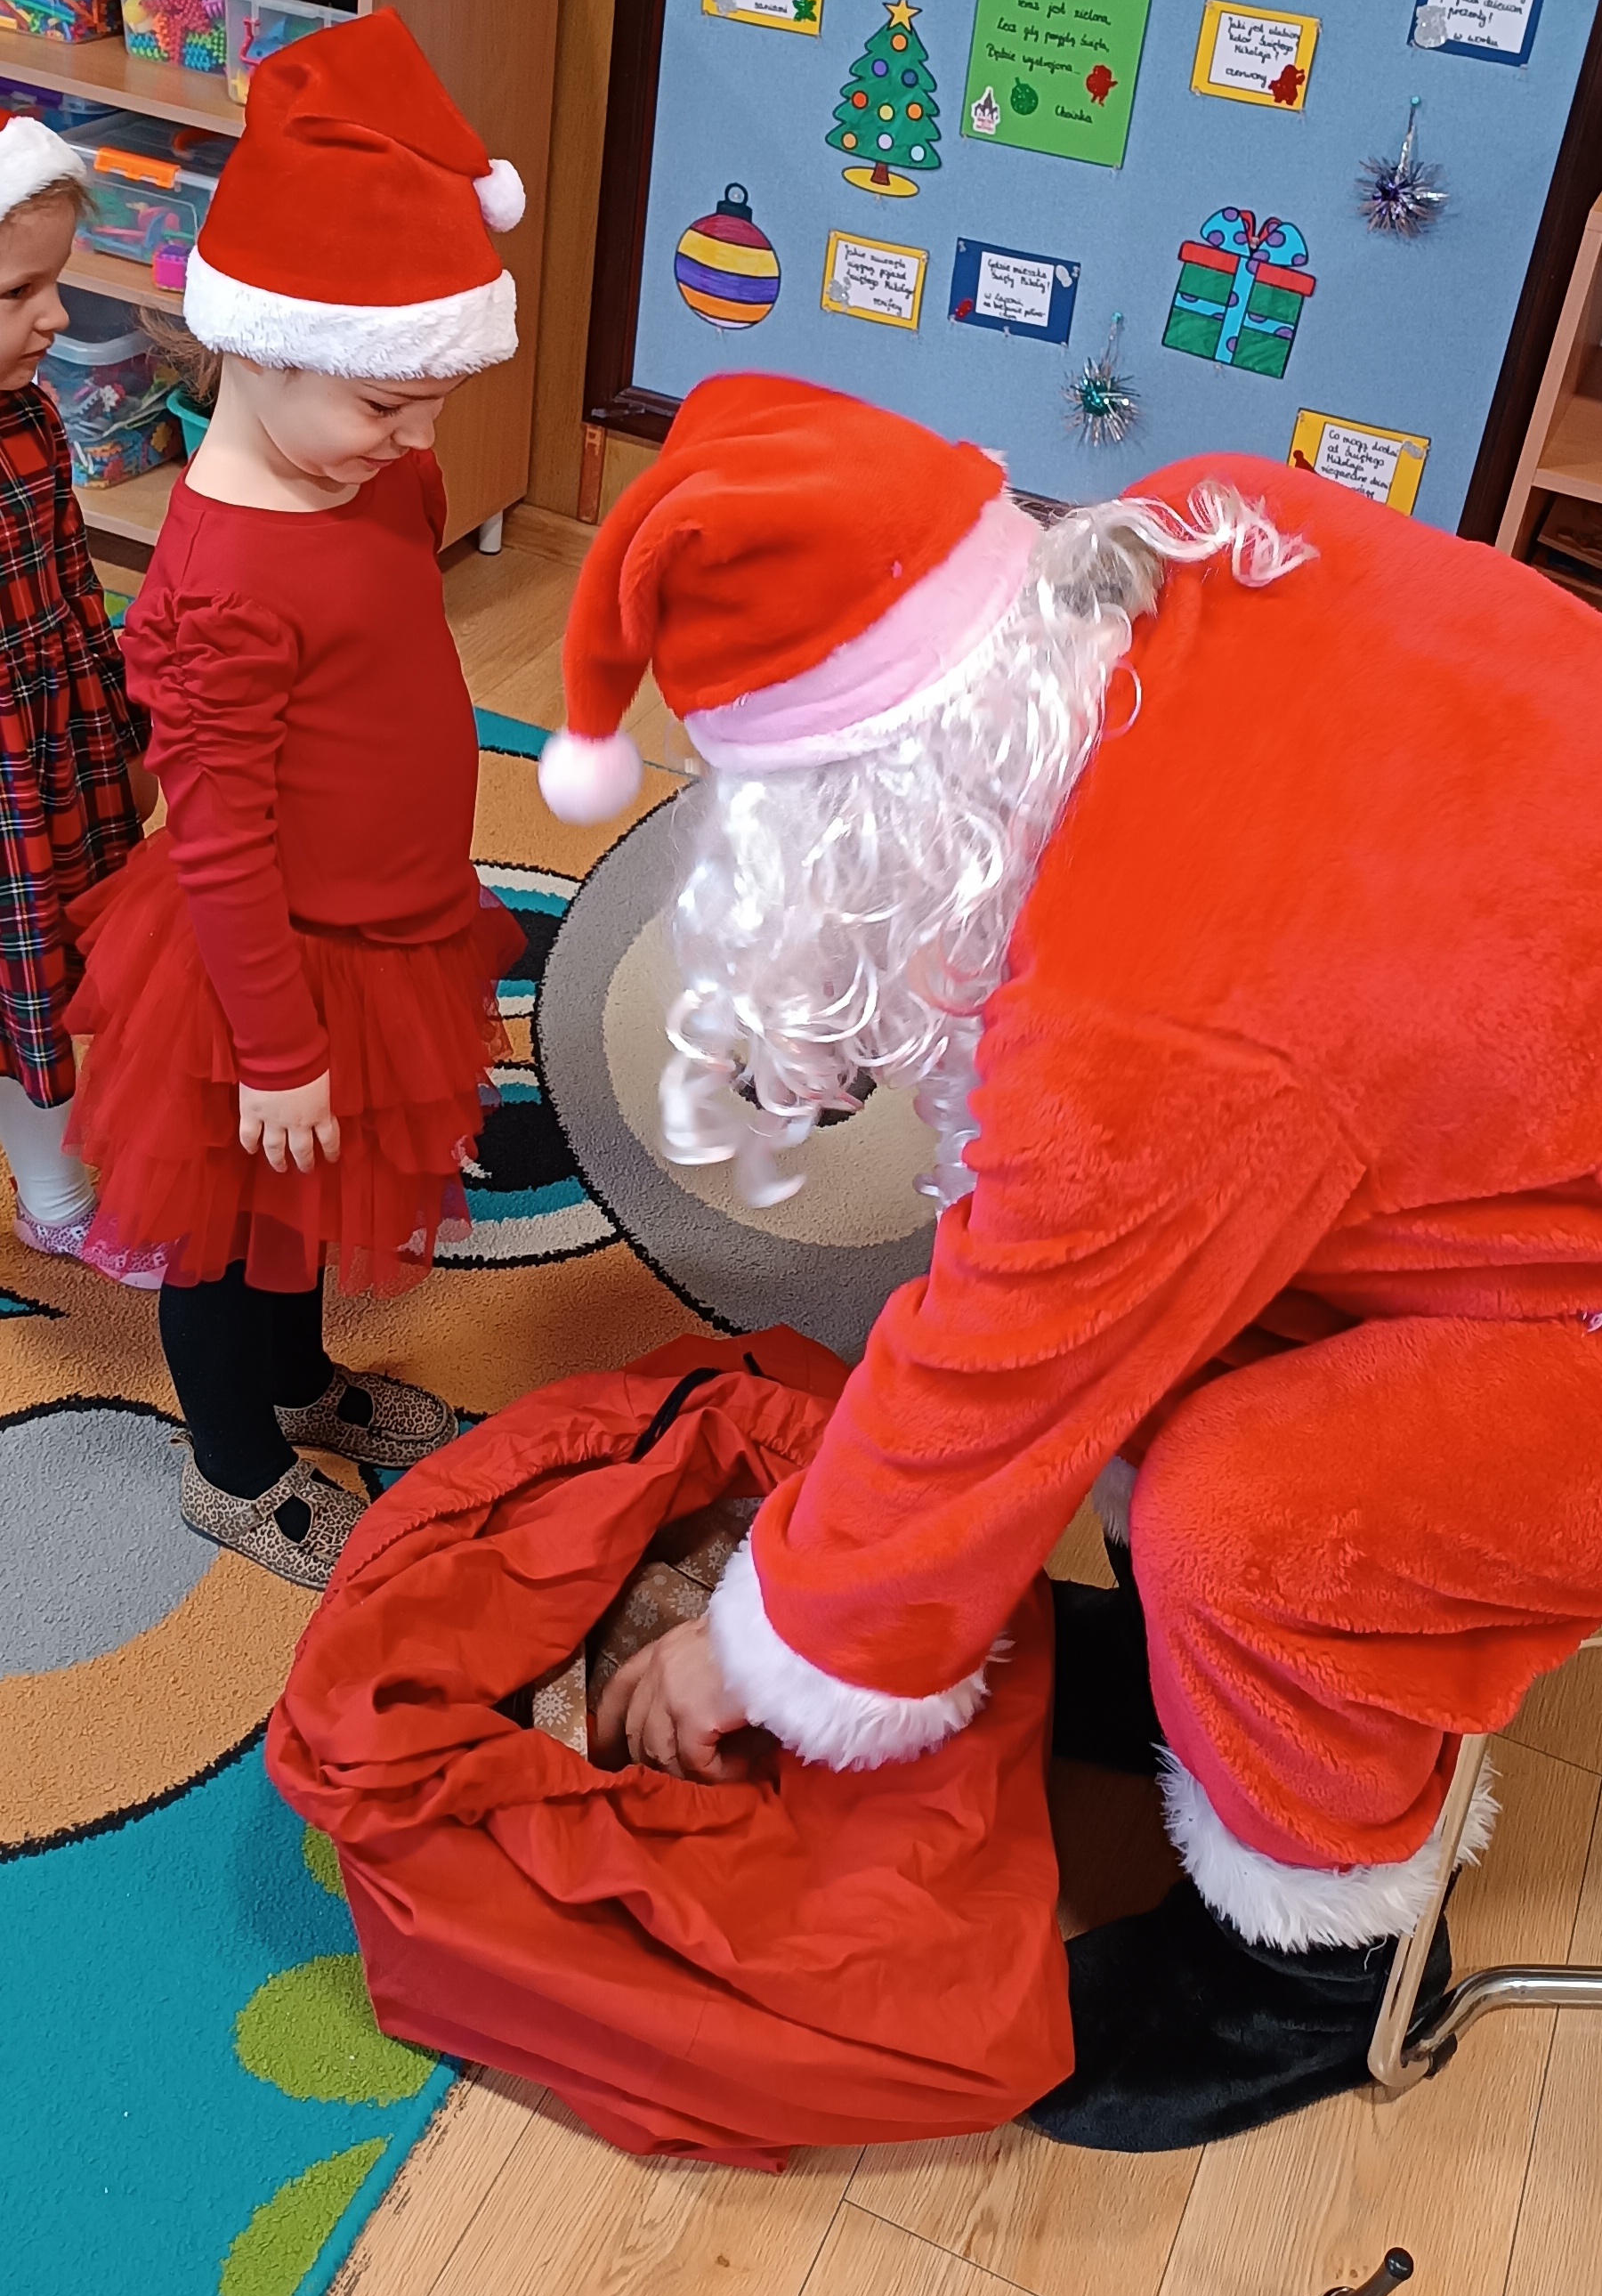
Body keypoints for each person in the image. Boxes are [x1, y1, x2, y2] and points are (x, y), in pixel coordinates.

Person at [540, 372, 1602, 2150]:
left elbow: (1002, 1372)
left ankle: (1318, 1965)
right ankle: (1225, 1693)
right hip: (1521, 1118)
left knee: (1247, 1518)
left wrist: (752, 1649)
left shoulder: (1147, 1036)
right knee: (1188, 1325)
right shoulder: (1205, 526)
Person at [69, 9, 526, 1590]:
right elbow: (217, 838)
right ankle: (235, 1468)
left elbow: (388, 634)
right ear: (256, 351)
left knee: (309, 1202)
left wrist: (386, 442)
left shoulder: (376, 471)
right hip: (262, 969)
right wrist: (274, 1045)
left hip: (387, 923)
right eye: (387, 402)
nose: (420, 437)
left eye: (433, 397)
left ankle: (297, 1380)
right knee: (221, 1222)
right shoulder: (217, 587)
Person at [0, 115, 158, 1269]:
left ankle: (53, 1194)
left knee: (40, 990)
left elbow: (75, 594)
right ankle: (55, 1201)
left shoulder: (34, 418)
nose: (55, 318)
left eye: (53, 284)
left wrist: (124, 732)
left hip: (48, 757)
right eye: (18, 295)